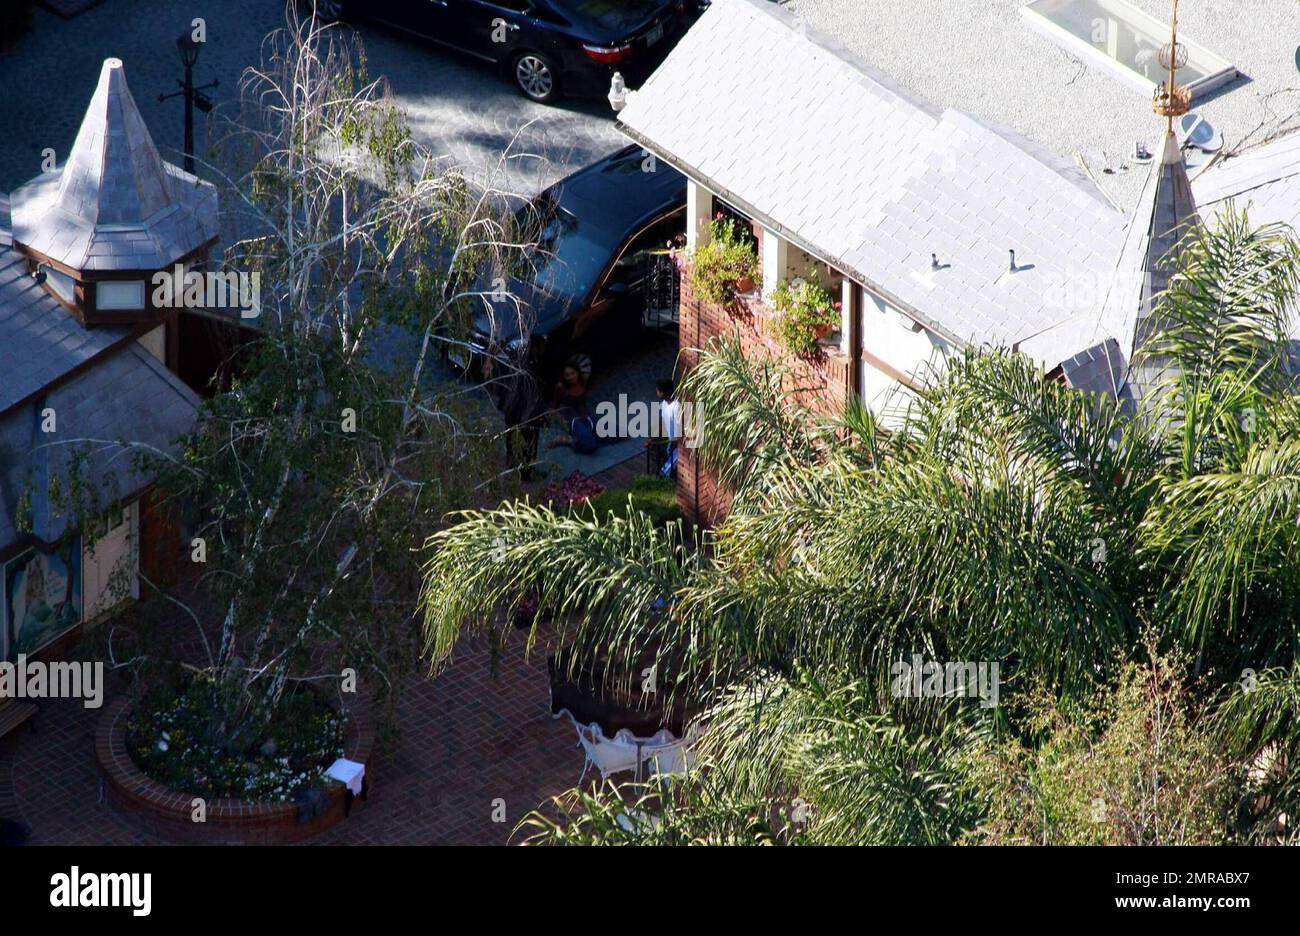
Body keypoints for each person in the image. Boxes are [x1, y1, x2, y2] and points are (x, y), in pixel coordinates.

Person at [647, 378, 680, 478]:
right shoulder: (665, 404)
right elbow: (663, 422)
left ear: (662, 392)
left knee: (668, 470)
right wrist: (653, 438)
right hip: (670, 442)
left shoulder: (676, 407)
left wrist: (673, 444)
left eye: (657, 390)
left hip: (676, 444)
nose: (656, 392)